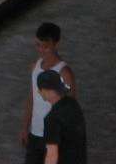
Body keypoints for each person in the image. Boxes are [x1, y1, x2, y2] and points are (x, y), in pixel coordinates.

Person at [21, 21, 77, 164]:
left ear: (56, 44)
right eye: (38, 45)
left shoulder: (64, 73)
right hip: (35, 134)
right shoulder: (36, 67)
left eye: (45, 46)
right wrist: (25, 127)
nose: (41, 50)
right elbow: (32, 98)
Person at [36, 69, 87, 164]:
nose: (39, 92)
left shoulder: (51, 118)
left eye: (40, 90)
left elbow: (52, 155)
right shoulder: (73, 104)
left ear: (44, 90)